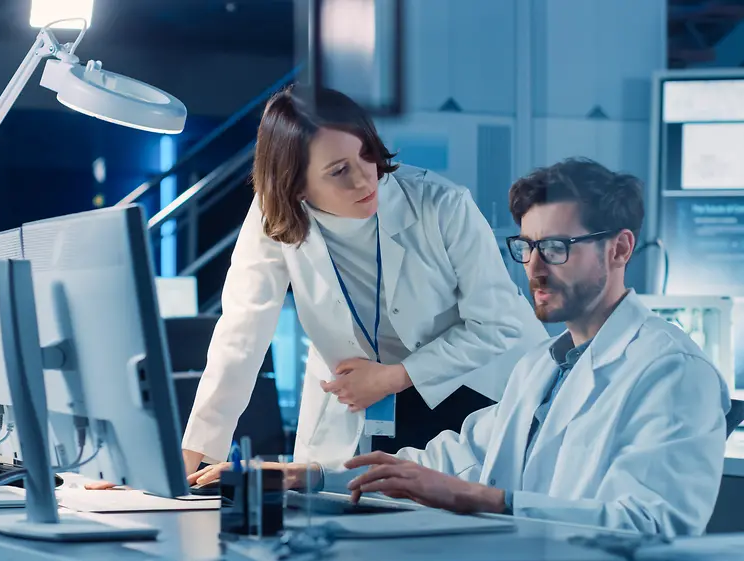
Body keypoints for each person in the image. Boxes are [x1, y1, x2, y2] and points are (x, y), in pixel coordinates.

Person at [199, 158, 731, 537]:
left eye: (557, 247)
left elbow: (656, 525)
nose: (534, 269)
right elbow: (448, 461)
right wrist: (308, 476)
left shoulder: (672, 371)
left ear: (619, 248)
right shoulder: (540, 370)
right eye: (526, 247)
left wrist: (481, 500)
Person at [181, 85, 547, 476]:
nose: (365, 180)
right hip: (364, 396)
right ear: (296, 185)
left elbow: (498, 325)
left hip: (473, 384)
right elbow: (242, 333)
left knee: (445, 505)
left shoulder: (442, 204)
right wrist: (192, 455)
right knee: (347, 503)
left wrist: (395, 376)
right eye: (338, 171)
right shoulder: (275, 216)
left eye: (367, 154)